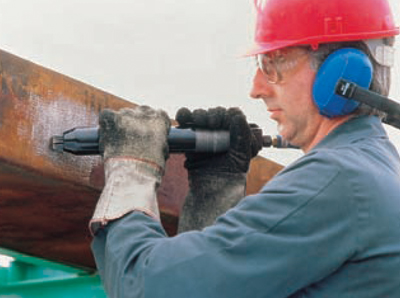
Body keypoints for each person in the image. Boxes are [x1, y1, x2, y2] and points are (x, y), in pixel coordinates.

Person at [90, 0, 400, 297]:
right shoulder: (374, 172)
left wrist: (131, 170)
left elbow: (148, 288)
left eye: (274, 63)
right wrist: (215, 190)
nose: (256, 89)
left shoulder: (337, 180)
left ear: (342, 75)